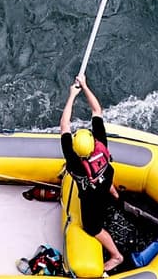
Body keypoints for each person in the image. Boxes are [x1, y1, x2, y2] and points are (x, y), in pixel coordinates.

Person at [60, 74, 124, 271]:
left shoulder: (74, 162)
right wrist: (85, 86)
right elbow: (97, 110)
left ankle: (116, 256)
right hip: (107, 178)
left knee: (93, 228)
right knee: (107, 186)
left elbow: (64, 124)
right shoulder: (100, 144)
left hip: (92, 197)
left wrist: (71, 95)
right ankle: (115, 195)